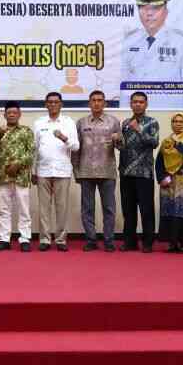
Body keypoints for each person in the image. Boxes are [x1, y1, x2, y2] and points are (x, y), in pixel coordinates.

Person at [120, 0, 183, 108]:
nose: (149, 13)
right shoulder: (129, 42)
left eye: (155, 8)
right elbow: (125, 90)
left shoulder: (182, 44)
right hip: (137, 116)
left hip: (169, 116)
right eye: (143, 7)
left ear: (166, 11)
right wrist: (124, 116)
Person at [72, 90, 121, 252]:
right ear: (89, 103)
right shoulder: (81, 123)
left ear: (105, 103)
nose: (97, 103)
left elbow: (121, 147)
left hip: (107, 171)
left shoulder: (113, 122)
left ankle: (109, 240)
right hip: (86, 171)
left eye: (100, 100)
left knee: (109, 208)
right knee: (87, 208)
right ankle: (91, 239)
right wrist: (76, 170)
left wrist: (119, 139)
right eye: (93, 100)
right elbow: (76, 149)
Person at [33, 92, 79, 251]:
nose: (53, 105)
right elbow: (35, 148)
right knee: (43, 208)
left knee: (62, 207)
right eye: (50, 102)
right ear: (46, 104)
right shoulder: (39, 123)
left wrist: (64, 138)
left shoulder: (68, 122)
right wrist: (33, 171)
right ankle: (44, 239)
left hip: (62, 171)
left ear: (61, 104)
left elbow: (76, 146)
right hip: (43, 170)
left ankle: (61, 240)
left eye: (56, 102)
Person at [114, 91, 160, 252]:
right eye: (135, 102)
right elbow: (123, 147)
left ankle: (148, 243)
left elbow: (154, 143)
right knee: (128, 210)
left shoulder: (152, 122)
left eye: (141, 102)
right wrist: (117, 141)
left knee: (146, 209)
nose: (138, 104)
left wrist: (140, 129)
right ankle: (130, 242)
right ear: (131, 104)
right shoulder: (126, 123)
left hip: (144, 173)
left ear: (146, 104)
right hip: (126, 172)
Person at [0, 101, 35, 252]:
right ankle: (4, 239)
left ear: (19, 114)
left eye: (15, 112)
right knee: (4, 209)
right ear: (4, 115)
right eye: (9, 113)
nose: (12, 115)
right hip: (4, 177)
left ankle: (25, 239)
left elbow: (31, 152)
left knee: (24, 209)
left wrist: (18, 164)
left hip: (21, 176)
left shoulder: (26, 131)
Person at [155, 113, 183, 253]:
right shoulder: (166, 142)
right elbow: (159, 162)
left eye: (181, 121)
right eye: (175, 121)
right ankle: (171, 242)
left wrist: (177, 144)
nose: (178, 124)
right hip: (168, 182)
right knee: (169, 211)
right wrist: (161, 178)